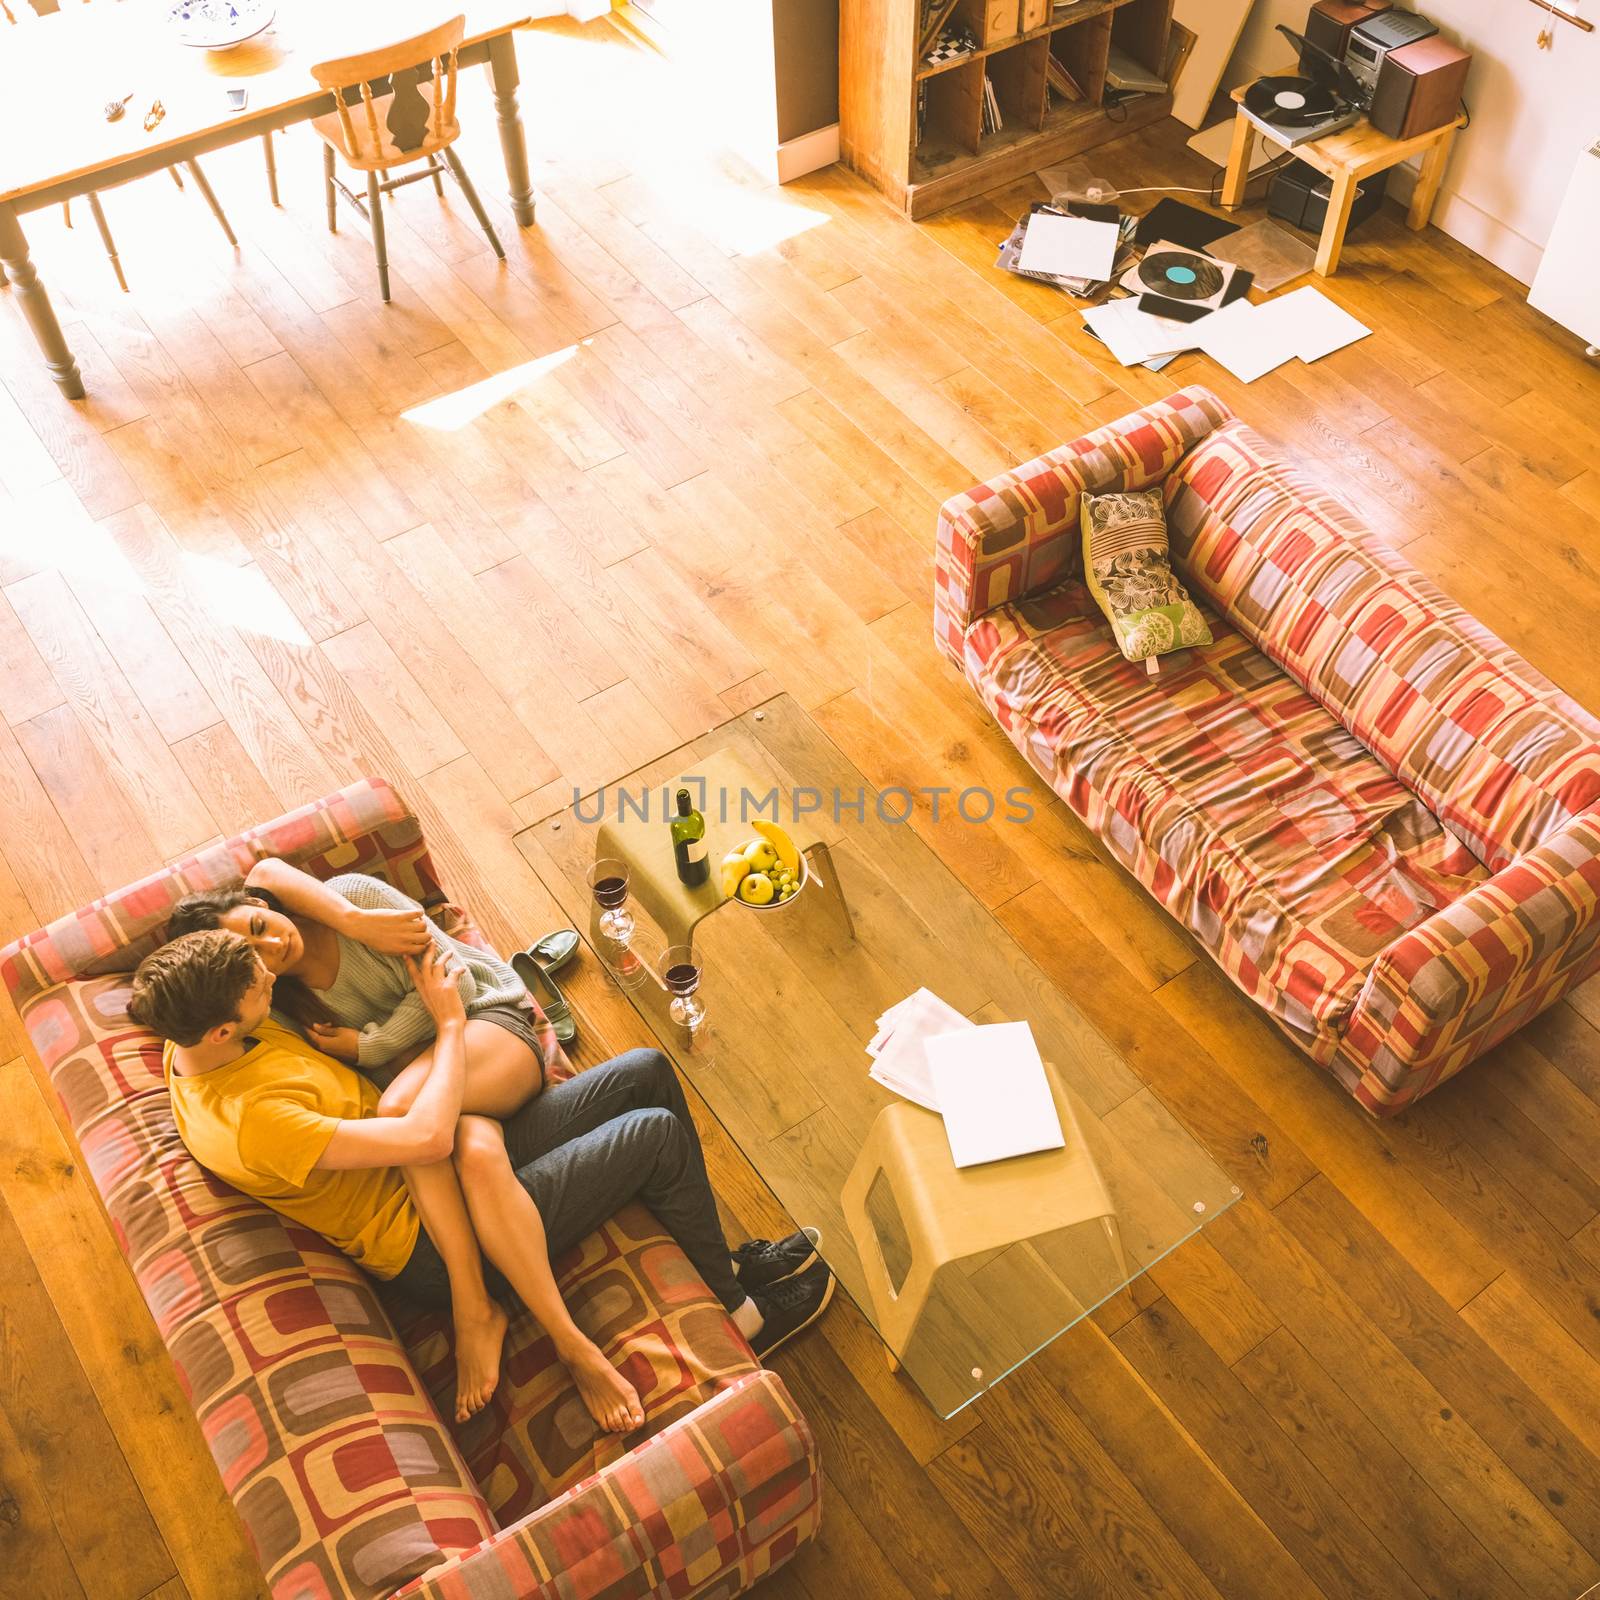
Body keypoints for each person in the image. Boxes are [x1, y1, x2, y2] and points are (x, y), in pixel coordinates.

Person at [129, 929, 834, 1434]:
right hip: (428, 1240)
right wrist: (448, 1025)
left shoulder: (195, 1032)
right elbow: (422, 1139)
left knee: (645, 1068)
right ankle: (745, 1313)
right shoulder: (249, 1118)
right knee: (653, 1133)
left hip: (444, 1166)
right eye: (257, 987)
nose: (269, 980)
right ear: (221, 1030)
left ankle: (723, 1268)